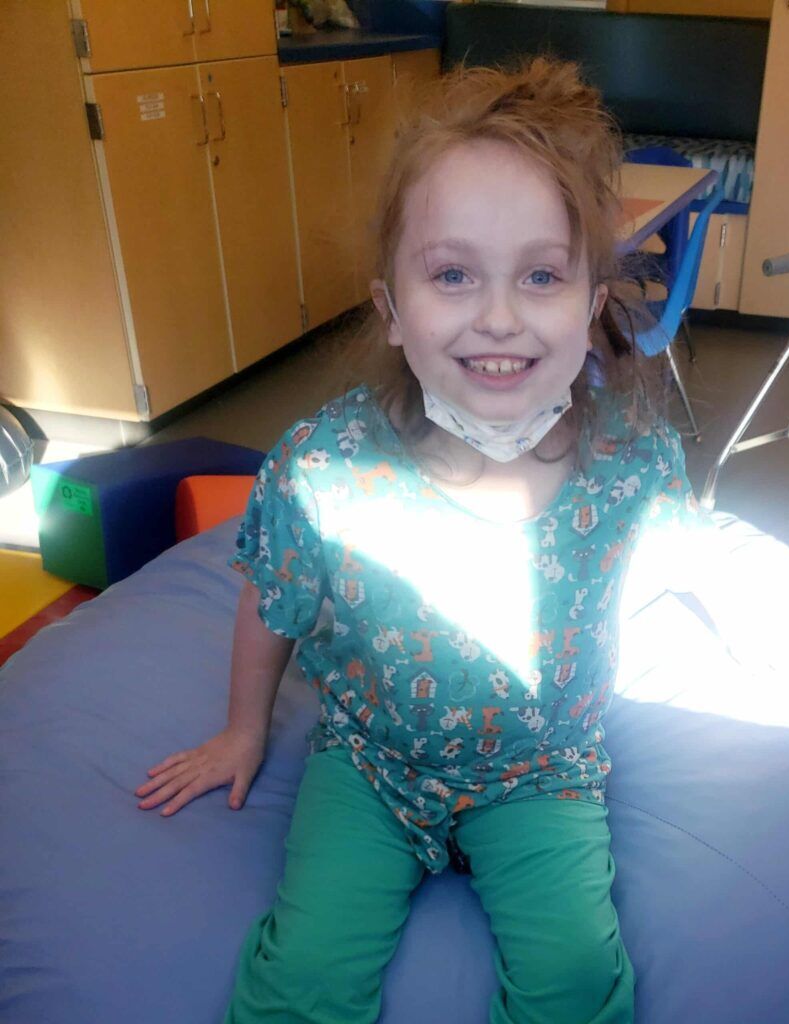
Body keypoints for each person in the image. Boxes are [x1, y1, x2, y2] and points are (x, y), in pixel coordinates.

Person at [135, 56, 700, 1024]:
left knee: (575, 982)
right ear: (392, 309)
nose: (497, 316)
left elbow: (668, 575)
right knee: (301, 982)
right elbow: (272, 593)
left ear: (592, 304)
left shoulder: (632, 465)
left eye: (540, 275)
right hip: (370, 766)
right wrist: (243, 728)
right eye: (450, 275)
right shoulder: (327, 466)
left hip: (543, 769)